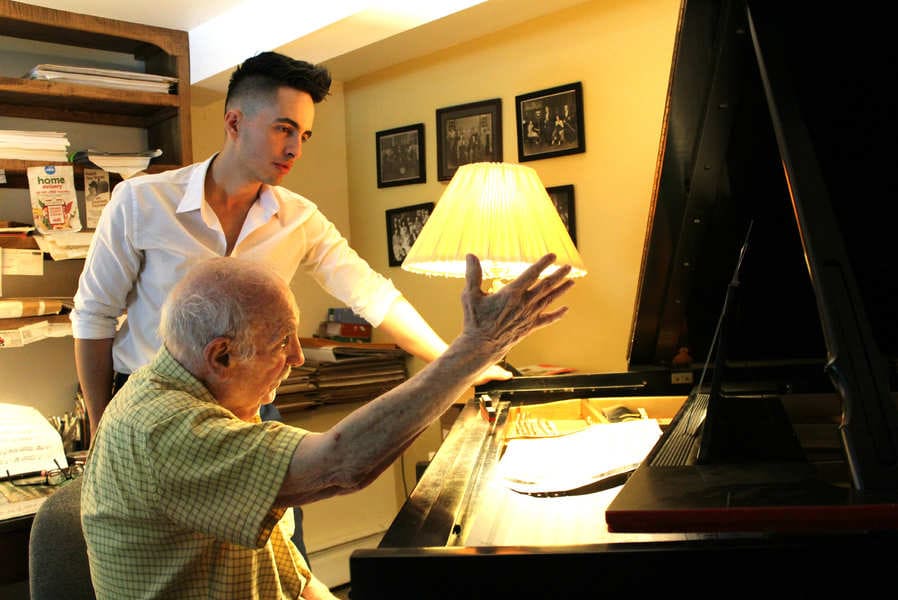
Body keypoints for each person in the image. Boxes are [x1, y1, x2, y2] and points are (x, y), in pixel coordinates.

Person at [70, 51, 510, 561]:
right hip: (155, 415)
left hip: (250, 407)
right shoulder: (142, 202)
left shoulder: (300, 219)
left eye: (304, 135)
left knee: (280, 556)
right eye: (284, 129)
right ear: (234, 122)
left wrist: (457, 361)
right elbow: (94, 317)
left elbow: (370, 294)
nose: (295, 147)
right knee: (177, 563)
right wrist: (103, 428)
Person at [81, 253, 573, 599]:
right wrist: (472, 353)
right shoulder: (164, 429)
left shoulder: (204, 398)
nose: (297, 357)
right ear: (222, 355)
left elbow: (288, 577)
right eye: (281, 343)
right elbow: (342, 464)